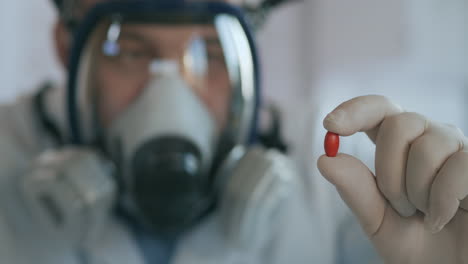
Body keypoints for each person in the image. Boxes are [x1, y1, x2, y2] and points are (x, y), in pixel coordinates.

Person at [0, 1, 466, 264]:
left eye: (212, 52)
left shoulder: (337, 174)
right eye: (129, 51)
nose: (173, 95)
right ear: (67, 48)